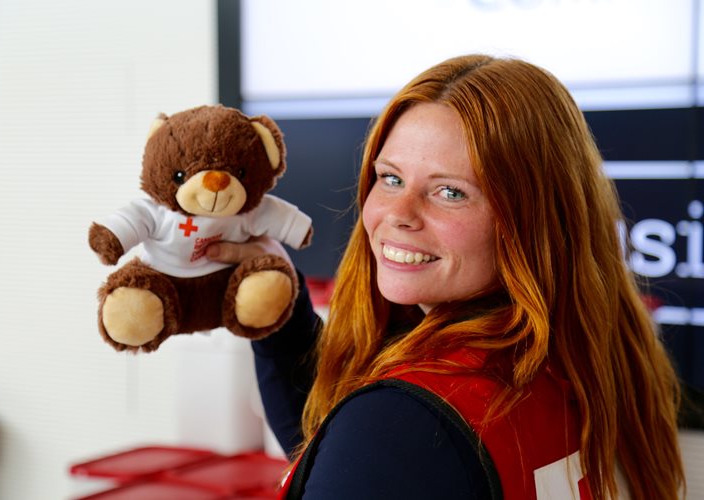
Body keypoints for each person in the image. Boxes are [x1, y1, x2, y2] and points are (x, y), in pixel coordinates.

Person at [207, 55, 685, 499]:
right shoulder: (591, 355)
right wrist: (280, 308)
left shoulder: (402, 423)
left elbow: (381, 450)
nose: (398, 214)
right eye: (390, 178)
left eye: (450, 192)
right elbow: (342, 455)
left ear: (532, 220)